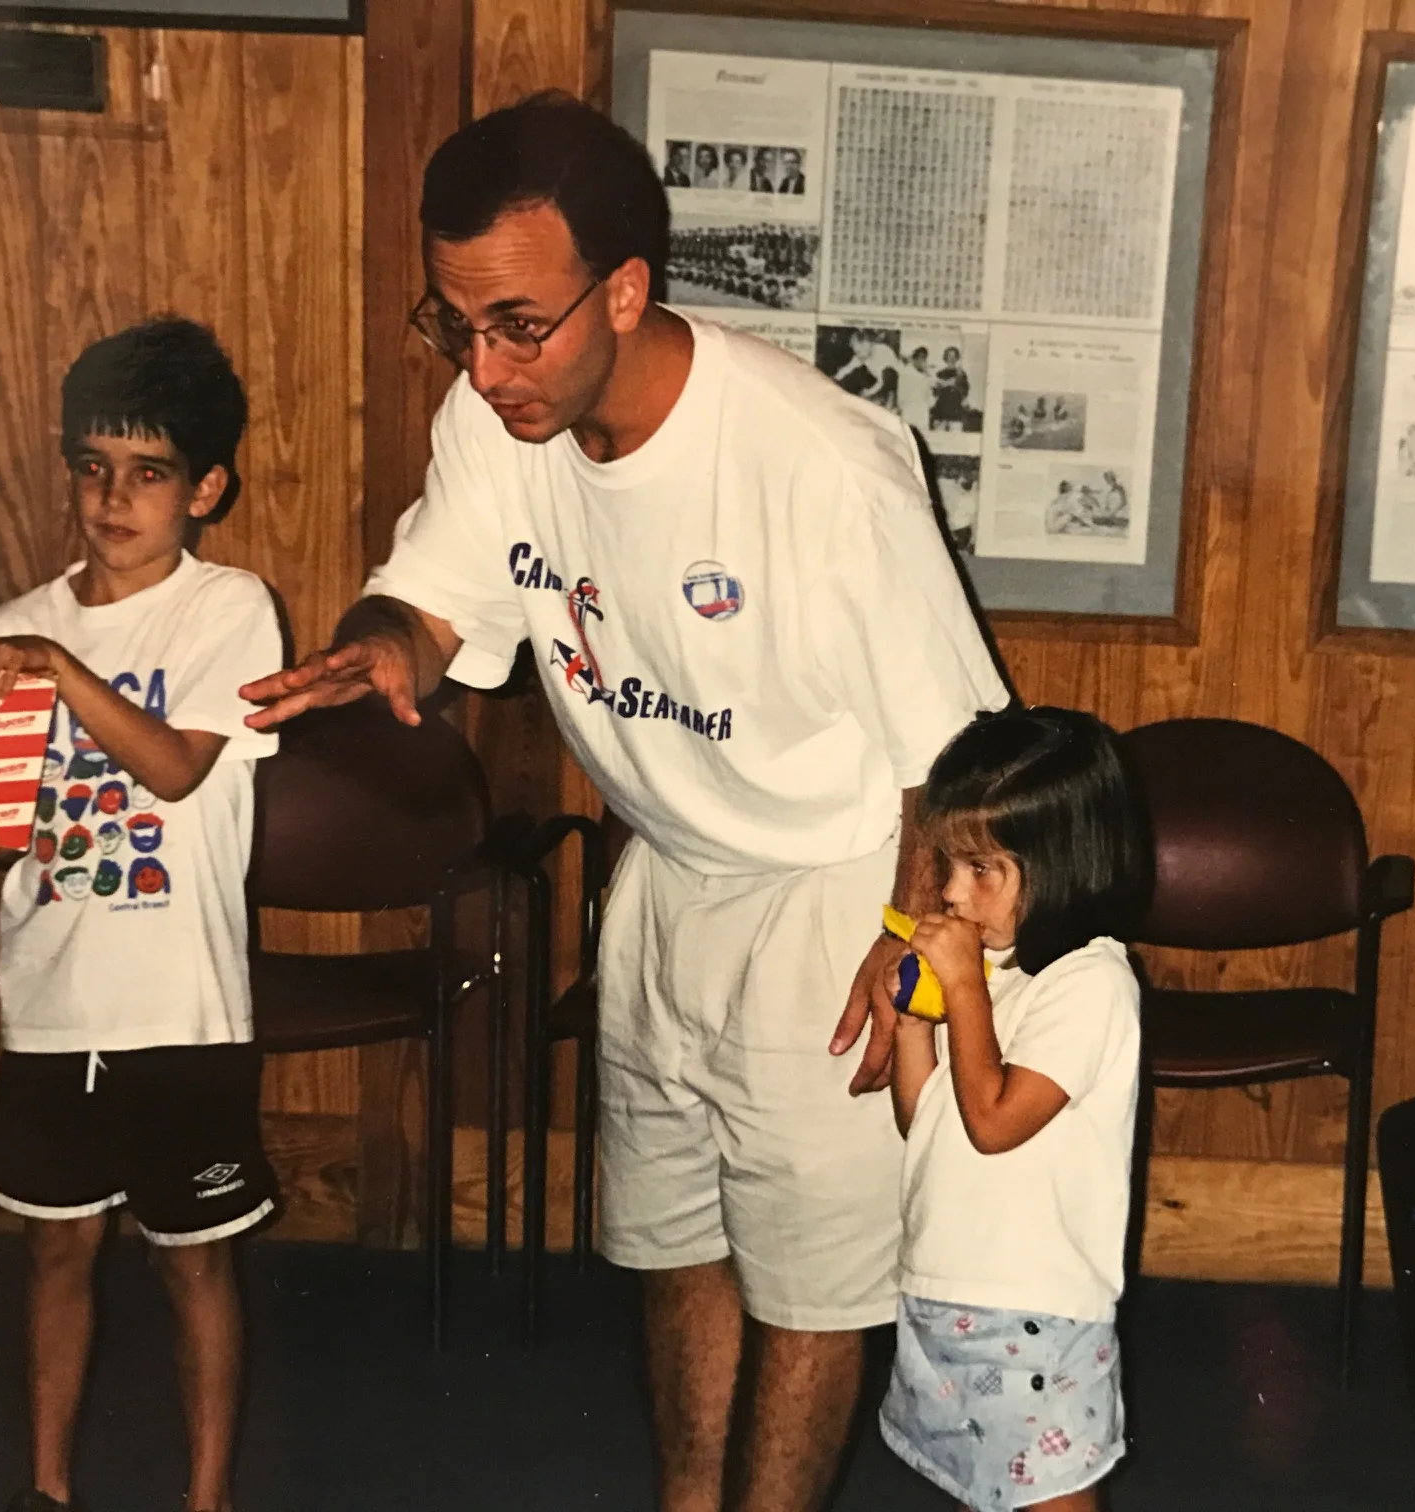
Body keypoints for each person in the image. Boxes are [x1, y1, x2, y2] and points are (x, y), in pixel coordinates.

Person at [240, 93, 1007, 1512]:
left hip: (837, 887)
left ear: (627, 291)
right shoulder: (497, 420)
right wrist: (380, 648)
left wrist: (911, 939)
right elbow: (432, 602)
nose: (485, 369)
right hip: (665, 877)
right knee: (675, 1245)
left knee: (811, 1291)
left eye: (518, 326)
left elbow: (956, 757)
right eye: (455, 326)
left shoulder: (823, 462)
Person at [0, 318, 283, 1512]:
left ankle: (206, 1497)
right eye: (93, 467)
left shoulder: (230, 607)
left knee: (195, 1263)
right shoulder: (14, 625)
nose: (113, 498)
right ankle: (47, 1489)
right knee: (56, 1247)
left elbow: (175, 769)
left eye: (148, 471)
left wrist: (60, 670)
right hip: (54, 998)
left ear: (205, 489)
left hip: (181, 1005)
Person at [880, 706, 1149, 1512]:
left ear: (1061, 862)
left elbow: (995, 1122)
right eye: (948, 865)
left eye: (980, 870)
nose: (951, 893)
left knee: (1048, 1495)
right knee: (978, 1487)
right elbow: (930, 1120)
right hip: (946, 1293)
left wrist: (963, 987)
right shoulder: (999, 968)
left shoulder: (1090, 984)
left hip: (1035, 1311)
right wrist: (912, 1023)